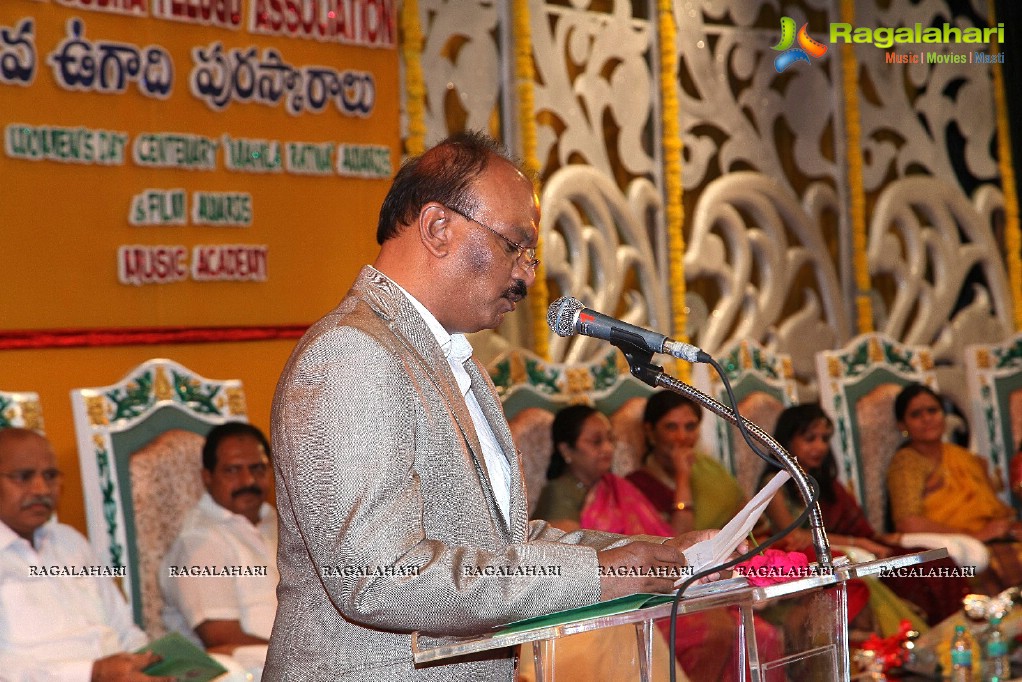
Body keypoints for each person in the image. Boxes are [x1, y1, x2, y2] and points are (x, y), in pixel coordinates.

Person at [267, 131, 714, 681]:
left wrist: (649, 553)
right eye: (514, 246)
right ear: (438, 228)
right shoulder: (353, 354)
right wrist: (592, 575)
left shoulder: (451, 359)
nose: (527, 272)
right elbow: (379, 576)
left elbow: (501, 544)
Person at [533, 404, 782, 682]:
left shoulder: (620, 488)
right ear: (566, 450)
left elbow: (655, 535)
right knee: (716, 631)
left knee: (754, 631)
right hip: (614, 600)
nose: (607, 448)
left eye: (609, 439)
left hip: (657, 581)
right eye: (595, 441)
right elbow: (570, 554)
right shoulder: (558, 494)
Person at [762, 403, 969, 625]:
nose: (819, 447)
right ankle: (909, 627)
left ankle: (949, 630)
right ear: (787, 441)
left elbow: (863, 532)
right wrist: (858, 542)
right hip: (815, 559)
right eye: (810, 439)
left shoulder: (827, 485)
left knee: (932, 562)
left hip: (855, 550)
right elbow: (795, 538)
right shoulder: (775, 485)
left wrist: (866, 541)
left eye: (824, 439)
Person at [0, 427, 170, 681]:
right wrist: (93, 673)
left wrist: (150, 665)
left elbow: (125, 630)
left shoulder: (70, 542)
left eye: (50, 476)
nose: (42, 489)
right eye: (23, 477)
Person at [159, 421, 277, 670]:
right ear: (208, 477)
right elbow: (222, 639)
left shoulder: (283, 524)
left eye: (258, 468)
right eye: (232, 471)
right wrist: (309, 657)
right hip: (249, 668)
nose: (248, 480)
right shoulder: (199, 543)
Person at [887, 383, 1022, 591]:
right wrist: (975, 535)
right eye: (916, 414)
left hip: (992, 539)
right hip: (960, 549)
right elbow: (908, 523)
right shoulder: (907, 463)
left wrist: (1007, 530)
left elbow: (992, 508)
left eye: (933, 410)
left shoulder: (963, 457)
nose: (927, 419)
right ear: (902, 425)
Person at [626, 391, 747, 533]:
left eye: (690, 427)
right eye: (671, 427)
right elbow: (676, 543)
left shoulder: (708, 466)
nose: (682, 437)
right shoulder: (636, 486)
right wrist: (682, 476)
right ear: (650, 431)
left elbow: (745, 515)